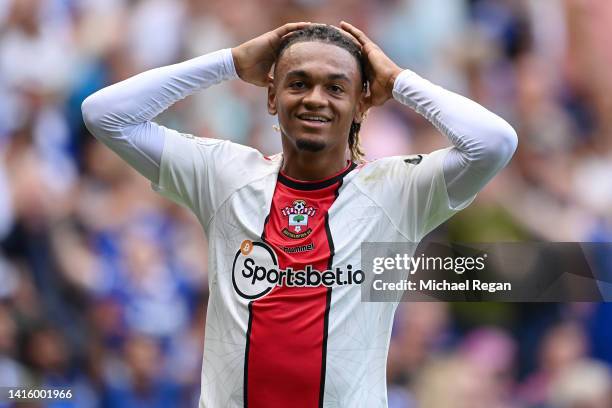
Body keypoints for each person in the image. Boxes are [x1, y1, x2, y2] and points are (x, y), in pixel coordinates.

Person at [82, 21, 517, 408]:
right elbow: (104, 115)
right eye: (298, 83)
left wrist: (398, 80)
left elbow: (494, 142)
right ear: (271, 96)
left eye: (336, 87)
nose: (315, 99)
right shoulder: (225, 176)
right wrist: (229, 62)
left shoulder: (397, 192)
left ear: (361, 104)